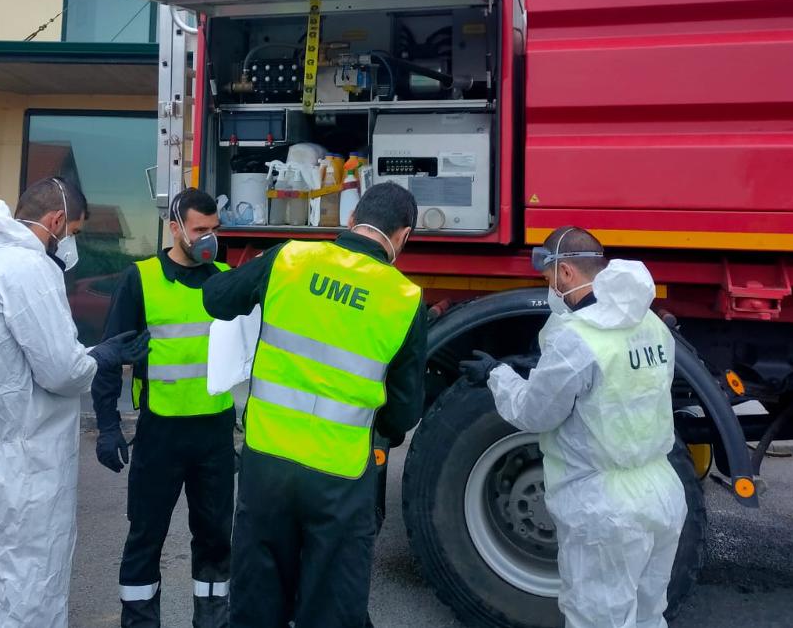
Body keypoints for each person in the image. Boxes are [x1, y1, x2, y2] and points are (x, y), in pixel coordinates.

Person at [203, 182, 427, 628]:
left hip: (266, 464)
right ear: (403, 236)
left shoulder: (291, 258)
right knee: (329, 608)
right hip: (339, 479)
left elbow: (218, 300)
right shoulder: (404, 299)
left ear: (350, 219)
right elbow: (403, 414)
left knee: (257, 602)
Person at [0, 177, 150, 628]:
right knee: (28, 592)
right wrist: (103, 357)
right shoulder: (30, 270)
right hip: (20, 470)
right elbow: (61, 371)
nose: (71, 242)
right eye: (73, 230)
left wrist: (88, 356)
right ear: (55, 221)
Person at [459, 226, 687, 628]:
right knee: (649, 613)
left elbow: (535, 414)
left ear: (565, 273)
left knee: (596, 619)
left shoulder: (576, 339)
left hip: (606, 509)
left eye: (548, 276)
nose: (547, 285)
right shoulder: (652, 326)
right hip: (662, 492)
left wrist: (497, 374)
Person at [92, 188, 234, 628]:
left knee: (214, 540)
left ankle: (212, 621)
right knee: (146, 538)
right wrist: (108, 426)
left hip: (214, 434)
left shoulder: (227, 278)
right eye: (200, 230)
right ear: (175, 228)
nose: (209, 238)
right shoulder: (142, 278)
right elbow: (109, 356)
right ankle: (139, 622)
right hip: (160, 435)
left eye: (214, 229)